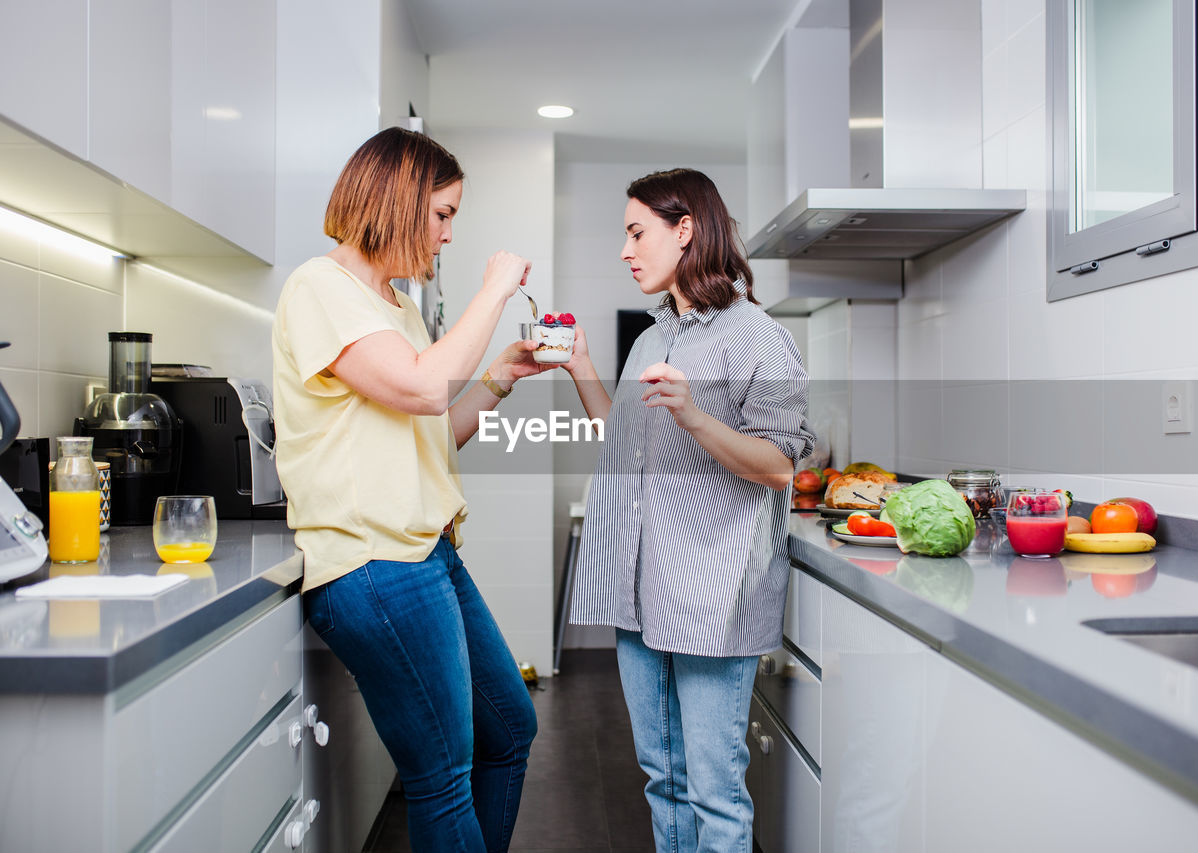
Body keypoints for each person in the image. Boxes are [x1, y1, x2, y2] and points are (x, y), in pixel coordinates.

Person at [271, 127, 544, 853]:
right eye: (443, 214)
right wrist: (495, 289)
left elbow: (431, 434)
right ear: (398, 201)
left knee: (509, 725)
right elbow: (424, 388)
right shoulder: (318, 288)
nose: (450, 233)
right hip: (371, 564)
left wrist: (498, 378)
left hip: (425, 552)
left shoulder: (394, 303)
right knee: (443, 773)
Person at [560, 168, 814, 851]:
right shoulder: (652, 340)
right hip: (644, 588)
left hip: (712, 592)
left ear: (686, 229)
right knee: (661, 776)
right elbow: (627, 443)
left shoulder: (755, 336)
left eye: (636, 232)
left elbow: (780, 465)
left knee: (713, 788)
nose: (626, 250)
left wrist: (698, 417)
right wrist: (583, 366)